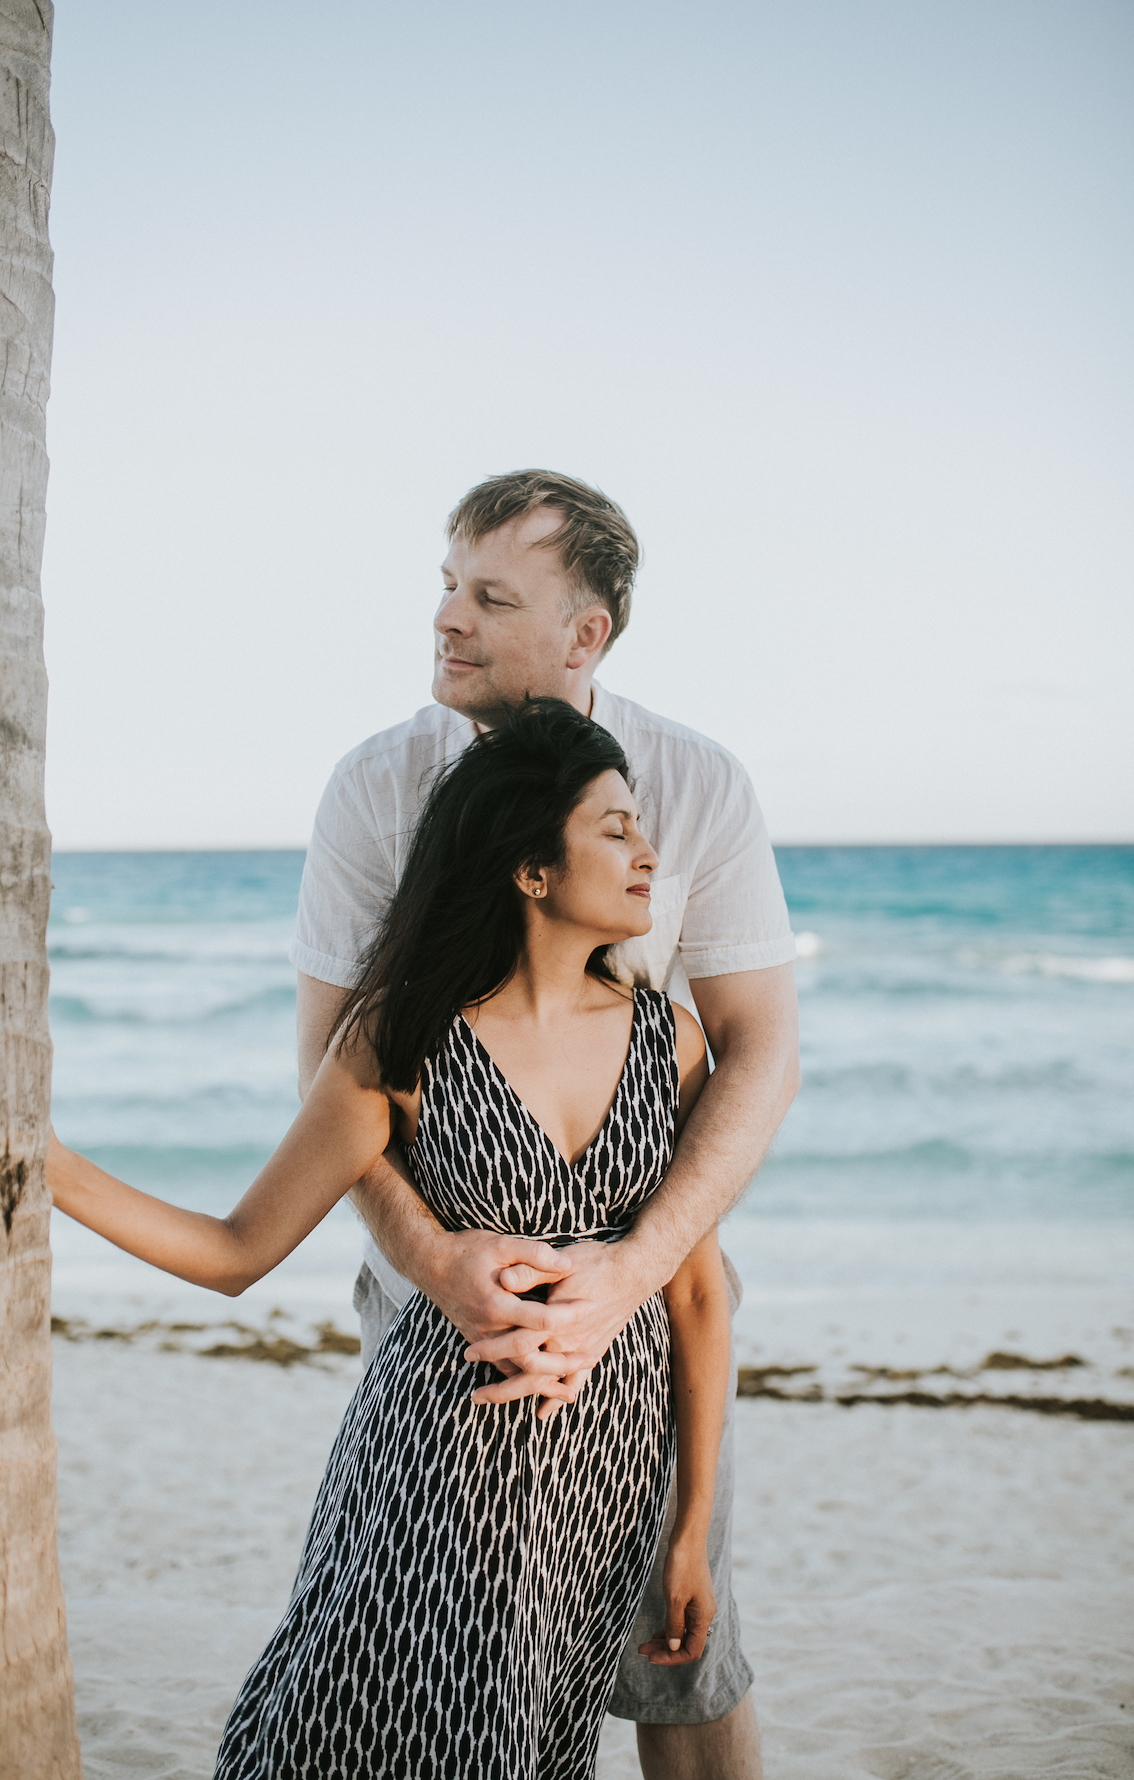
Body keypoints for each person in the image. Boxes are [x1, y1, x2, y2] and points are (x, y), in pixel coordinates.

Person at [47, 701, 730, 1780]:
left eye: (639, 825)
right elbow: (236, 1250)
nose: (647, 853)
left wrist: (691, 1525)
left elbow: (695, 1296)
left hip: (604, 1494)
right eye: (612, 829)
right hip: (433, 1474)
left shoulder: (671, 1044)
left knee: (530, 1747)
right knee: (362, 1724)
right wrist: (49, 1165)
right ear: (529, 870)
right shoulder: (403, 1036)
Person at [293, 471, 800, 1780]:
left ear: (586, 636)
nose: (447, 621)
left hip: (652, 1292)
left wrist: (633, 1271)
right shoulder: (376, 787)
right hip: (437, 1303)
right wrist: (434, 1264)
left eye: (491, 598)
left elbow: (759, 1049)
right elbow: (330, 1069)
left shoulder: (693, 784)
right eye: (449, 586)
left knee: (684, 1660)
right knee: (445, 1667)